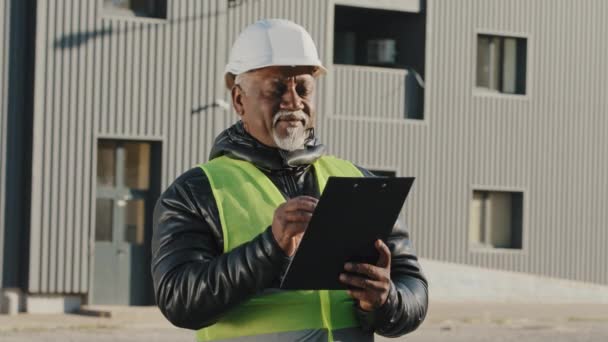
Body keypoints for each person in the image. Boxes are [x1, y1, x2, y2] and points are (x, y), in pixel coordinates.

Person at [151, 19, 428, 342]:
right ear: (239, 100)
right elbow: (178, 301)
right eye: (276, 88)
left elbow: (413, 286)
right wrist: (270, 249)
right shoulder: (195, 192)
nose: (293, 102)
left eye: (303, 88)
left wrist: (385, 299)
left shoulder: (358, 181)